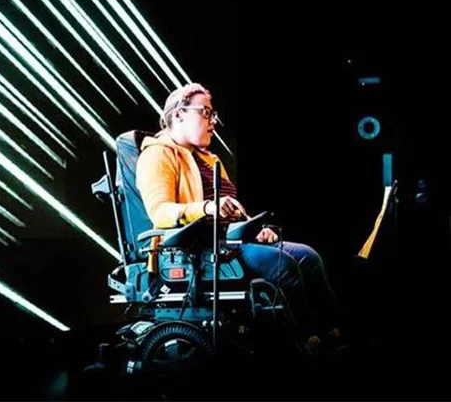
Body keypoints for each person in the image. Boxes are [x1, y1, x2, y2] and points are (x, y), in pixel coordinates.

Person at [135, 82, 342, 351]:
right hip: (201, 250)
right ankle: (300, 343)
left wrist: (254, 229)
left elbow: (232, 213)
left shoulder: (211, 160)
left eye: (213, 114)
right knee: (283, 264)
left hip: (233, 243)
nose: (213, 121)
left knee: (308, 257)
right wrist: (207, 208)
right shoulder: (158, 155)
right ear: (179, 115)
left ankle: (332, 333)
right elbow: (160, 212)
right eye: (205, 112)